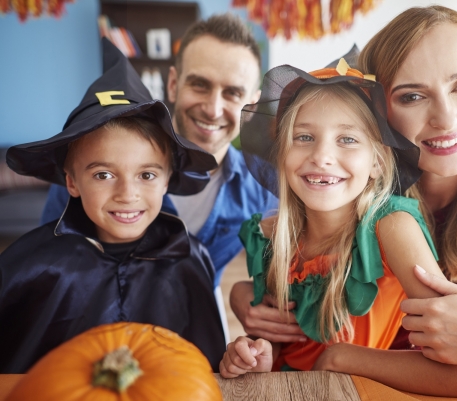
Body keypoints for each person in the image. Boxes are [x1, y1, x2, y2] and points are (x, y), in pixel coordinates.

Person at [230, 5, 457, 373]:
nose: (446, 117)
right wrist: (245, 296)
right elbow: (296, 269)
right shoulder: (350, 185)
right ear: (375, 112)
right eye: (412, 96)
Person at [219, 61, 457, 397]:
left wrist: (340, 357)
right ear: (282, 153)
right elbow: (277, 354)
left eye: (346, 139)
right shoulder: (270, 237)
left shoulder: (391, 227)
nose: (322, 156)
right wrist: (256, 357)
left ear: (376, 162)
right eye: (304, 137)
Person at [0, 38, 225, 373]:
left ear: (167, 181)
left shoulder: (190, 259)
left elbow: (207, 371)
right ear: (72, 182)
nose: (127, 193)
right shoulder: (30, 265)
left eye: (146, 174)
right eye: (104, 174)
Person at [40, 13, 278, 288]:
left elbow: (278, 270)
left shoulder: (261, 189)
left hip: (200, 320)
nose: (213, 110)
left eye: (232, 93)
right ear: (174, 84)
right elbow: (50, 261)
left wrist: (243, 294)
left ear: (252, 104)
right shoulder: (93, 165)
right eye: (200, 85)